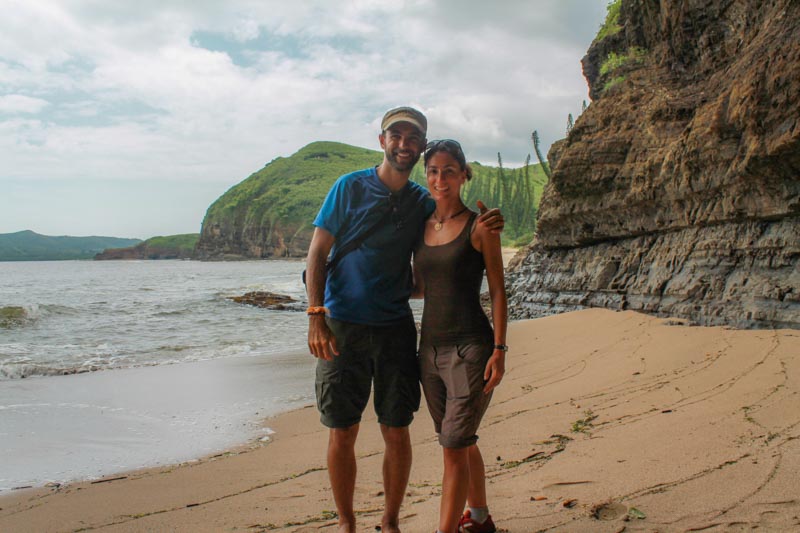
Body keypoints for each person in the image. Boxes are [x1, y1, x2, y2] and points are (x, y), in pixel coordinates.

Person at [306, 107, 503, 533]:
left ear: (419, 147)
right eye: (396, 135)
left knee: (397, 428)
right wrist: (315, 316)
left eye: (412, 138)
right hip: (342, 325)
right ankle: (346, 524)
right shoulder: (348, 187)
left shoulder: (420, 201)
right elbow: (318, 252)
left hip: (396, 328)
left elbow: (447, 241)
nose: (403, 144)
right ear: (382, 141)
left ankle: (391, 522)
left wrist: (490, 223)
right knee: (342, 428)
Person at [412, 139, 507, 533]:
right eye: (433, 170)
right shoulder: (421, 227)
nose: (440, 178)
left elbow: (499, 291)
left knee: (453, 445)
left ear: (464, 175)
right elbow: (419, 287)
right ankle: (480, 518)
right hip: (428, 350)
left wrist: (500, 350)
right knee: (458, 440)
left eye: (449, 170)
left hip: (471, 349)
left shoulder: (480, 227)